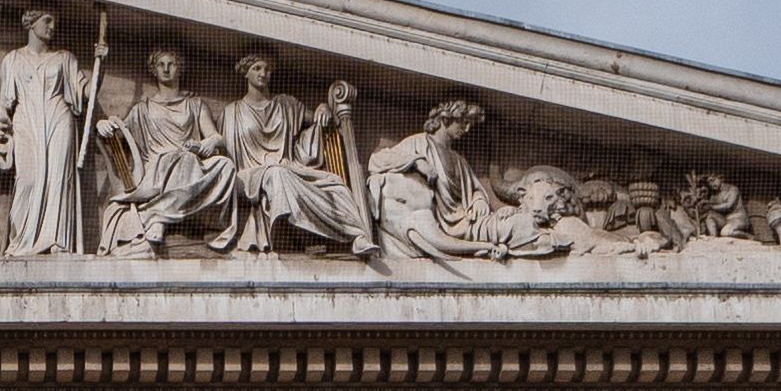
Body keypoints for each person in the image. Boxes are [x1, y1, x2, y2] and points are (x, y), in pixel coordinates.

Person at [368, 97, 575, 272]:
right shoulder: (418, 144)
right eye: (463, 122)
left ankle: (555, 240)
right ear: (445, 118)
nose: (466, 129)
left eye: (469, 124)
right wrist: (416, 161)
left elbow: (475, 190)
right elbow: (377, 160)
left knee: (521, 221)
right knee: (519, 226)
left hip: (468, 221)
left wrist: (478, 201)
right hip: (439, 225)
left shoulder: (458, 160)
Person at [223, 54, 371, 257]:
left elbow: (316, 121)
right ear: (245, 73)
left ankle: (358, 236)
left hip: (288, 168)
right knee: (277, 175)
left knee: (334, 183)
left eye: (266, 69)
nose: (263, 73)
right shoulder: (232, 112)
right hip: (250, 175)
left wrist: (324, 108)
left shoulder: (286, 104)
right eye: (257, 68)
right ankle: (304, 236)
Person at [0, 4, 94, 255]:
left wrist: (101, 66)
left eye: (54, 23)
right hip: (25, 121)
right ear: (31, 22)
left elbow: (87, 95)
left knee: (58, 180)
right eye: (48, 20)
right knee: (27, 180)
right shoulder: (13, 60)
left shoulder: (65, 58)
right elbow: (5, 105)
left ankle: (56, 242)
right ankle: (22, 241)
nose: (53, 27)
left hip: (58, 120)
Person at [98, 47, 238, 257]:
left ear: (179, 68)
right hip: (158, 167)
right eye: (160, 65)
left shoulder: (194, 104)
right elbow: (119, 136)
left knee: (226, 166)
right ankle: (159, 219)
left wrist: (205, 144)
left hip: (192, 164)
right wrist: (103, 125)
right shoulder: (142, 109)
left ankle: (156, 215)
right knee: (180, 158)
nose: (165, 69)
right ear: (153, 70)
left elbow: (216, 136)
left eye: (171, 64)